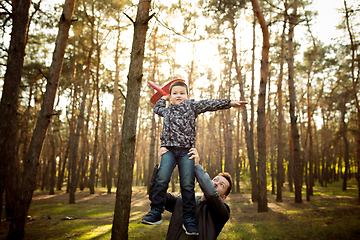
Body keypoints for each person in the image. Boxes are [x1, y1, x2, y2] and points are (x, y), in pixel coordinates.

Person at [141, 80, 246, 236]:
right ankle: (156, 211)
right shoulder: (167, 111)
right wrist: (163, 99)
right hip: (168, 150)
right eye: (175, 93)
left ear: (223, 197)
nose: (179, 96)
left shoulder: (221, 211)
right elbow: (157, 108)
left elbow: (210, 103)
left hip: (185, 151)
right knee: (163, 180)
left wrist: (230, 103)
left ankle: (189, 219)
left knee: (187, 184)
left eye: (182, 93)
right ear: (170, 96)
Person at [148, 147, 233, 240]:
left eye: (222, 185)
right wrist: (161, 166)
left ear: (223, 198)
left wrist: (196, 165)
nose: (216, 183)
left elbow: (212, 194)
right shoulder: (183, 200)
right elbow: (154, 194)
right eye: (215, 180)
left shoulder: (222, 212)